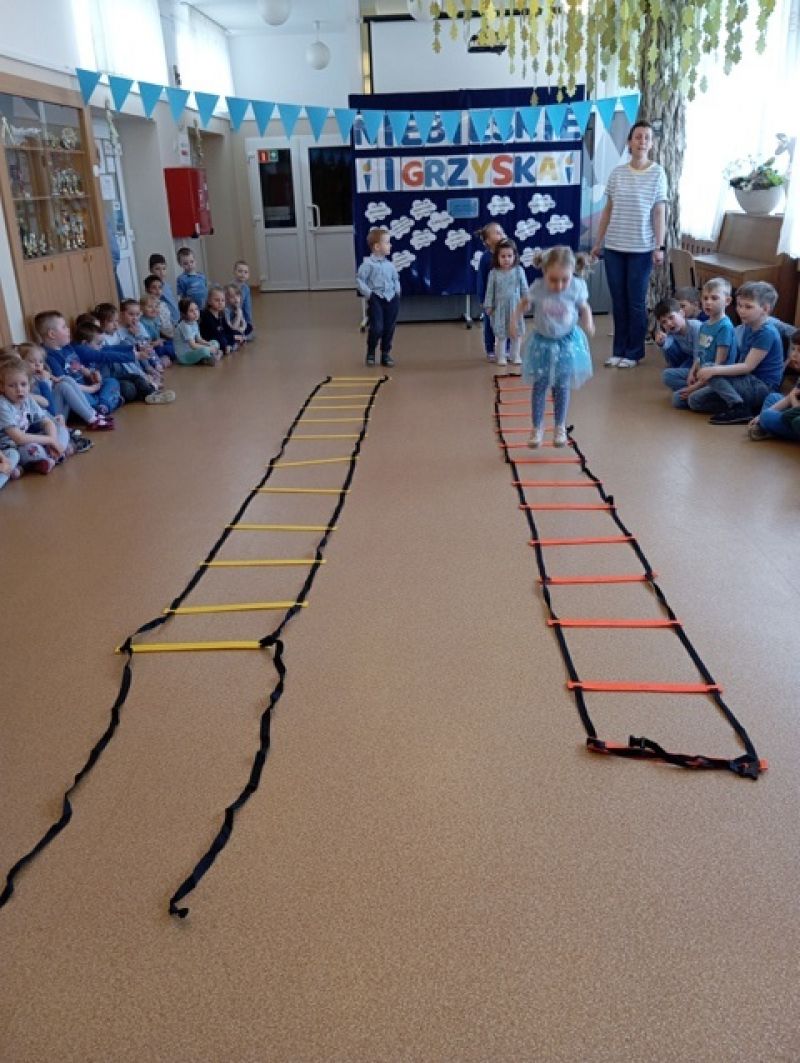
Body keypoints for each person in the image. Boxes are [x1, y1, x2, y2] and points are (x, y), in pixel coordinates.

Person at [590, 119, 667, 368]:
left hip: (641, 249)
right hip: (614, 247)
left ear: (651, 144)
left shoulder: (657, 173)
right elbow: (608, 210)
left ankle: (634, 353)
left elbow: (659, 212)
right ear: (629, 143)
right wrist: (598, 241)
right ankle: (618, 350)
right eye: (638, 137)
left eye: (647, 137)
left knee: (635, 302)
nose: (642, 141)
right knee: (618, 301)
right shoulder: (617, 173)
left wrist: (659, 246)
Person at [511, 245, 595, 448]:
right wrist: (514, 321)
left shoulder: (576, 287)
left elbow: (584, 307)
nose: (559, 285)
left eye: (565, 279)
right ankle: (537, 427)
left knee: (562, 385)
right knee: (540, 385)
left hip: (566, 343)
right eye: (553, 280)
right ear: (544, 272)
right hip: (542, 343)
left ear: (572, 273)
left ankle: (559, 426)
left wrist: (588, 321)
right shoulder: (538, 287)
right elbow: (522, 303)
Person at [688, 281, 784, 423]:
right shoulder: (747, 326)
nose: (741, 311)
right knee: (695, 401)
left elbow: (748, 366)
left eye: (748, 307)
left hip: (763, 386)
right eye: (739, 305)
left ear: (765, 309)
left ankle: (739, 407)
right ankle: (748, 406)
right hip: (745, 381)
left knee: (710, 368)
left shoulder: (766, 332)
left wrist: (714, 371)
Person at [35, 312, 120, 423]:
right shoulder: (49, 356)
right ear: (52, 334)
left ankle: (103, 406)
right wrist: (91, 389)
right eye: (64, 327)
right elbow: (64, 383)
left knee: (111, 381)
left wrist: (91, 374)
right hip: (79, 393)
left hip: (88, 387)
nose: (68, 329)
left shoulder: (67, 347)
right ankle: (106, 403)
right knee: (84, 396)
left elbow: (79, 367)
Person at [668, 278, 737, 409]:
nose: (708, 302)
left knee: (692, 400)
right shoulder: (704, 325)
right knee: (669, 377)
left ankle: (725, 398)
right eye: (705, 298)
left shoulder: (725, 327)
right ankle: (701, 391)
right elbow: (700, 354)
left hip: (719, 378)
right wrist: (692, 372)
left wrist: (695, 387)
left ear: (727, 301)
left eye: (714, 298)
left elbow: (718, 365)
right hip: (703, 374)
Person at [0, 355, 72, 475]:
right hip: (11, 446)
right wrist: (50, 440)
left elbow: (46, 422)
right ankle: (49, 456)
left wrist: (52, 439)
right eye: (12, 386)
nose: (19, 390)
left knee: (61, 429)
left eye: (23, 384)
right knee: (31, 451)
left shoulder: (28, 399)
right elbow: (19, 439)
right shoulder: (3, 405)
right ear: (2, 387)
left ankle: (49, 456)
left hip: (29, 439)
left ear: (29, 385)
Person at [17, 341, 106, 435]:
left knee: (67, 379)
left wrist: (55, 379)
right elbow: (46, 403)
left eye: (40, 362)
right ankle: (91, 419)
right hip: (47, 418)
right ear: (20, 363)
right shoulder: (26, 382)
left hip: (57, 414)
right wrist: (45, 382)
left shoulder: (39, 376)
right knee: (63, 386)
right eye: (32, 361)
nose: (37, 365)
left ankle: (92, 413)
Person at [356, 228, 401, 368]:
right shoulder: (368, 264)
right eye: (387, 242)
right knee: (377, 328)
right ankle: (371, 351)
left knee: (389, 327)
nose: (390, 245)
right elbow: (360, 280)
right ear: (377, 246)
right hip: (376, 299)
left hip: (391, 298)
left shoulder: (390, 265)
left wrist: (397, 292)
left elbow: (395, 279)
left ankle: (385, 353)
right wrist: (369, 294)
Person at [483, 238, 527, 367]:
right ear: (497, 257)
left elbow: (524, 288)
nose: (506, 259)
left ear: (514, 256)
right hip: (500, 308)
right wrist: (489, 305)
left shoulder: (519, 271)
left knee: (516, 333)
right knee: (501, 334)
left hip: (515, 308)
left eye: (509, 256)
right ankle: (501, 356)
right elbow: (490, 291)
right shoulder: (494, 273)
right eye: (503, 256)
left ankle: (515, 355)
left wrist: (526, 302)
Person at [654, 297, 703, 398]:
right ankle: (692, 386)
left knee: (668, 377)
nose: (669, 323)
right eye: (664, 322)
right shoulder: (672, 331)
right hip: (689, 359)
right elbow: (668, 354)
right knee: (668, 347)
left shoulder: (696, 327)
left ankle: (697, 387)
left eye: (671, 318)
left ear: (681, 313)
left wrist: (692, 372)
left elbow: (699, 356)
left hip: (701, 361)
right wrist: (661, 343)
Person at [475, 222, 507, 361]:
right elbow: (481, 280)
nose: (502, 234)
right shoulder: (485, 258)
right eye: (497, 233)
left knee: (507, 322)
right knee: (489, 324)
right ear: (488, 241)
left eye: (502, 231)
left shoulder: (508, 256)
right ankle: (490, 349)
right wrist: (482, 299)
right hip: (491, 299)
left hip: (506, 298)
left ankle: (506, 348)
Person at [174, 299, 221, 366]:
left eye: (196, 309)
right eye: (191, 311)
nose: (195, 313)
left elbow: (199, 339)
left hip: (193, 351)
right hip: (184, 356)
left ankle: (208, 357)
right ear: (184, 314)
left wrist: (209, 344)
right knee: (204, 351)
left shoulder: (194, 322)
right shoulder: (184, 326)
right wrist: (208, 348)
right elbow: (193, 345)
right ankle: (210, 357)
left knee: (215, 342)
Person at [200, 286, 239, 355]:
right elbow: (215, 333)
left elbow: (227, 328)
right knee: (222, 340)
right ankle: (227, 347)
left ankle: (230, 345)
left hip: (221, 335)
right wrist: (232, 338)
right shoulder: (206, 315)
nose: (220, 303)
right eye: (217, 300)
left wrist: (235, 334)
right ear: (209, 301)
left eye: (222, 300)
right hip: (210, 339)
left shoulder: (221, 313)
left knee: (237, 333)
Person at [148, 254, 180, 327]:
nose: (161, 272)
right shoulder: (154, 289)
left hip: (177, 319)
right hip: (168, 323)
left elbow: (172, 302)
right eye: (157, 269)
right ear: (151, 270)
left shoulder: (167, 285)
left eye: (164, 268)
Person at [142, 274, 176, 340]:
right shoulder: (145, 306)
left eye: (160, 287)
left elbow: (170, 321)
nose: (158, 291)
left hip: (171, 334)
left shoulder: (164, 304)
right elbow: (155, 328)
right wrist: (170, 337)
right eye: (154, 288)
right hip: (161, 338)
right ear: (147, 290)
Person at [233, 260, 255, 337]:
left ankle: (241, 334)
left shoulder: (246, 288)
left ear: (248, 275)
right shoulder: (231, 287)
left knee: (250, 332)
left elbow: (247, 307)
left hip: (240, 315)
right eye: (240, 271)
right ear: (234, 272)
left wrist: (249, 322)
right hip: (231, 315)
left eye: (246, 272)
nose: (243, 274)